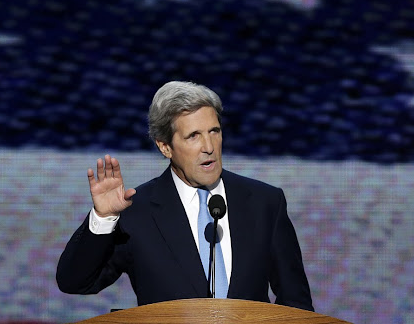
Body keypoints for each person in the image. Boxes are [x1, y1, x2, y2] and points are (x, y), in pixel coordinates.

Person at [56, 81, 313, 311]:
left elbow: (296, 303)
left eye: (214, 131)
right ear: (165, 146)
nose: (209, 147)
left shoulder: (264, 202)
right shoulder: (137, 212)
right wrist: (103, 217)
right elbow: (76, 282)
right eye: (194, 136)